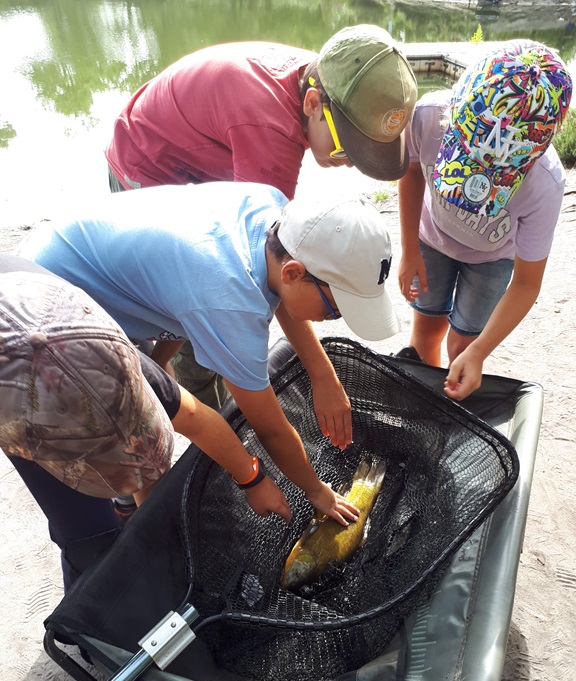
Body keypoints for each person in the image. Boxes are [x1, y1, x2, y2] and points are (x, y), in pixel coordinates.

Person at [19, 180, 399, 527]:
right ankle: (132, 527)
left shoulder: (273, 213)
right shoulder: (230, 303)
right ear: (295, 273)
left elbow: (177, 292)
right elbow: (271, 429)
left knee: (146, 415)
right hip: (46, 314)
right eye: (335, 309)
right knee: (138, 447)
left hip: (64, 256)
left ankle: (131, 506)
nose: (335, 318)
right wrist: (315, 491)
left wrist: (323, 375)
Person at [104, 24, 418, 408]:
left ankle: (183, 381)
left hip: (199, 166)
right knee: (201, 314)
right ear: (313, 103)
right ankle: (205, 411)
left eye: (365, 151)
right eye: (345, 146)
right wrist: (322, 376)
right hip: (146, 165)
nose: (350, 162)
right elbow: (277, 264)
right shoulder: (271, 130)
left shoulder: (324, 76)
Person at [0, 255, 291, 589]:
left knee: (144, 484)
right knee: (87, 538)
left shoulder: (100, 346)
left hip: (51, 323)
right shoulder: (22, 432)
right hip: (16, 403)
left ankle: (150, 540)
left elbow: (195, 418)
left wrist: (251, 477)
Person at [397, 39, 572, 401]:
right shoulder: (429, 116)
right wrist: (409, 247)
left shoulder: (545, 185)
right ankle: (426, 403)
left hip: (492, 261)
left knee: (463, 343)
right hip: (432, 240)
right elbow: (411, 172)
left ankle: (450, 405)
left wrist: (478, 354)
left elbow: (526, 283)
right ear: (458, 96)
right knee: (426, 329)